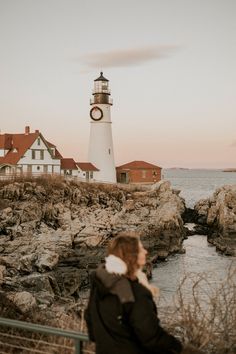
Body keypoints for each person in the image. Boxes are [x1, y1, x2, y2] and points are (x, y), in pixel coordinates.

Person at [85, 232, 183, 354]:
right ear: (131, 255)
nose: (146, 252)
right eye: (141, 249)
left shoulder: (100, 284)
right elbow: (151, 337)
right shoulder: (136, 292)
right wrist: (180, 348)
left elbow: (90, 321)